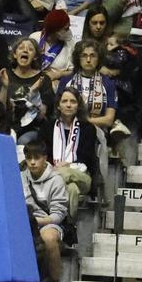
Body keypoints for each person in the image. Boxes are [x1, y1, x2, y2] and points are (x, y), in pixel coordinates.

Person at [39, 86, 99, 220]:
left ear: (78, 106)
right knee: (71, 189)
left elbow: (87, 158)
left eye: (73, 101)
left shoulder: (88, 128)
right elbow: (42, 153)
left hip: (81, 175)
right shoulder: (47, 127)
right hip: (61, 177)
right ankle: (67, 225)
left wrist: (68, 165)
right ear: (58, 106)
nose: (68, 105)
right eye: (65, 101)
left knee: (63, 172)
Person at [20, 140, 69, 282]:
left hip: (49, 223)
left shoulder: (56, 180)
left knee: (48, 239)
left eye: (36, 158)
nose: (32, 162)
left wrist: (36, 221)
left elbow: (58, 214)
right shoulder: (20, 178)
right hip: (25, 221)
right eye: (29, 158)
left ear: (45, 158)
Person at [0, 37, 56, 145]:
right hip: (7, 126)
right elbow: (0, 109)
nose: (25, 50)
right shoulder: (6, 75)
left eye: (30, 49)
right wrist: (5, 87)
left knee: (23, 142)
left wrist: (33, 93)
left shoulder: (42, 79)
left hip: (32, 128)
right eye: (21, 48)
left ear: (35, 57)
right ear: (15, 54)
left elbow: (41, 115)